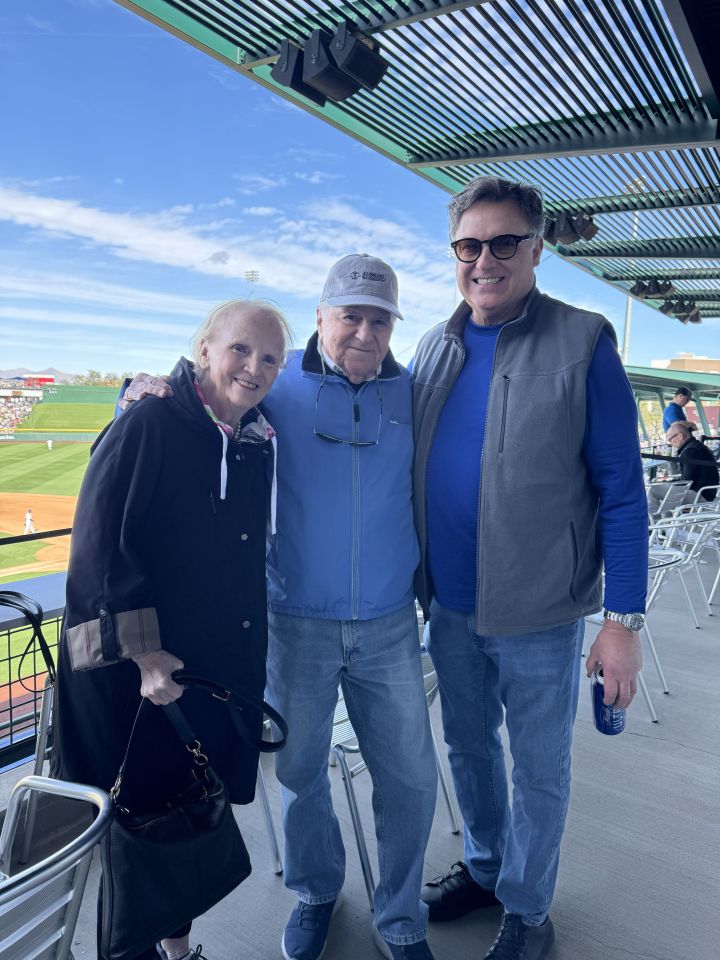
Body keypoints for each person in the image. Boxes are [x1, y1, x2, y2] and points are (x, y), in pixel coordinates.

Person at [121, 256, 438, 960]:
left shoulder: (412, 393)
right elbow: (197, 401)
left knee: (412, 778)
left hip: (388, 623)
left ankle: (402, 918)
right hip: (295, 621)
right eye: (349, 314)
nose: (363, 330)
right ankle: (316, 890)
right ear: (322, 316)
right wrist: (132, 389)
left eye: (379, 318)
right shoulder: (274, 382)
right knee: (298, 774)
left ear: (392, 327)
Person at [411, 176, 649, 960]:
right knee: (469, 753)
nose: (485, 259)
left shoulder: (583, 340)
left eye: (504, 242)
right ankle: (485, 869)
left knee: (539, 769)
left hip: (543, 612)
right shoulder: (435, 344)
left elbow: (622, 492)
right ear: (456, 254)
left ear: (537, 249)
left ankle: (528, 906)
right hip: (449, 606)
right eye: (469, 245)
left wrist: (622, 621)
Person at [51, 300, 290, 960]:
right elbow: (98, 548)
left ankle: (178, 950)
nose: (254, 367)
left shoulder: (255, 440)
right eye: (241, 349)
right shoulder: (150, 421)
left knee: (182, 817)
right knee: (133, 828)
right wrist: (143, 653)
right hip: (139, 680)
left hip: (205, 674)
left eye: (270, 358)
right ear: (206, 347)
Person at [652, 424, 719, 507]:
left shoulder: (690, 451)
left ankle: (653, 517)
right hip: (707, 493)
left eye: (670, 440)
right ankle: (666, 517)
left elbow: (686, 481)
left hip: (699, 495)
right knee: (661, 488)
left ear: (680, 436)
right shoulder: (697, 446)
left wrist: (668, 483)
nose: (671, 443)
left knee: (651, 489)